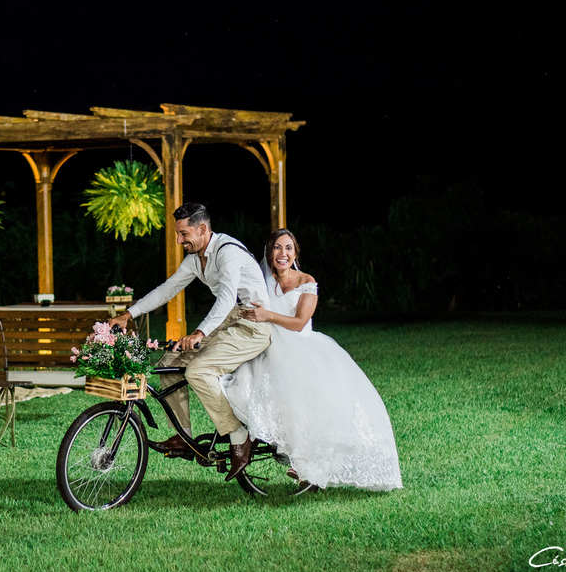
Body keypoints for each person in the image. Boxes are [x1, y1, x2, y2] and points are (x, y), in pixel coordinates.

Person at [223, 228, 403, 493]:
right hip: (268, 346)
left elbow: (299, 323)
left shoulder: (306, 281)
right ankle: (257, 444)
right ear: (269, 252)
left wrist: (268, 316)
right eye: (277, 247)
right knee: (249, 390)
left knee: (304, 396)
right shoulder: (261, 282)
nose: (282, 253)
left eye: (288, 248)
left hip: (301, 347)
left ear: (295, 253)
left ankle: (305, 462)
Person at [109, 202, 274, 481]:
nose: (179, 240)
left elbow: (226, 298)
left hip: (252, 325)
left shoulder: (228, 252)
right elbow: (167, 290)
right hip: (227, 322)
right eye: (177, 233)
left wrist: (199, 333)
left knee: (198, 371)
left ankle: (239, 437)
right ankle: (183, 438)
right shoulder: (195, 259)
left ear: (203, 229)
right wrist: (128, 314)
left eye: (183, 233)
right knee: (169, 363)